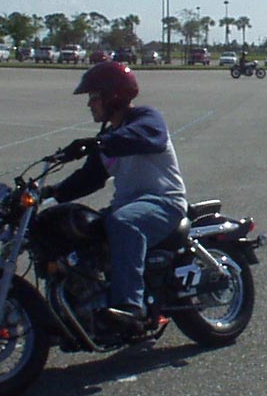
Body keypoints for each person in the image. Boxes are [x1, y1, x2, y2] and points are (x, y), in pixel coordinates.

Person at [43, 61, 189, 328]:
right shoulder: (110, 137)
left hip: (164, 202)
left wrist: (99, 143)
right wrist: (49, 193)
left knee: (123, 222)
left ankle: (130, 307)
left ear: (114, 96)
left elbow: (148, 138)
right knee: (77, 230)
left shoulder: (146, 119)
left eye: (94, 97)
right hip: (128, 205)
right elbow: (89, 179)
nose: (90, 104)